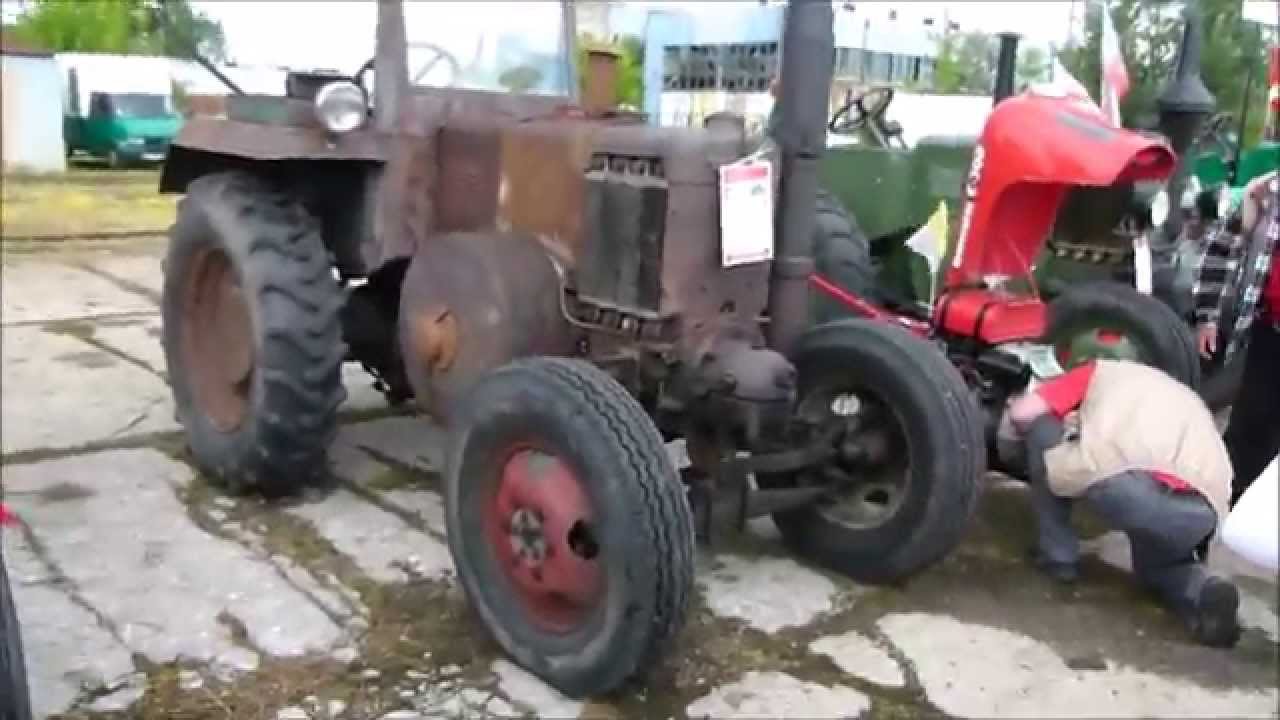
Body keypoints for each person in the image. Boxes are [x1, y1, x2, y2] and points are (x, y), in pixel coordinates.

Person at [1002, 358, 1241, 648]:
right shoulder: (1176, 392)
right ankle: (1206, 590)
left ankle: (1057, 556)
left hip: (1135, 490)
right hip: (1204, 510)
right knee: (1157, 567)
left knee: (1042, 430)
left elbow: (1023, 412)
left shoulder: (1097, 371)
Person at [1194, 170, 1280, 506]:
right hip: (1268, 335)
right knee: (1249, 431)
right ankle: (1216, 512)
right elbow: (1219, 250)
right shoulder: (1266, 194)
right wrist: (1208, 317)